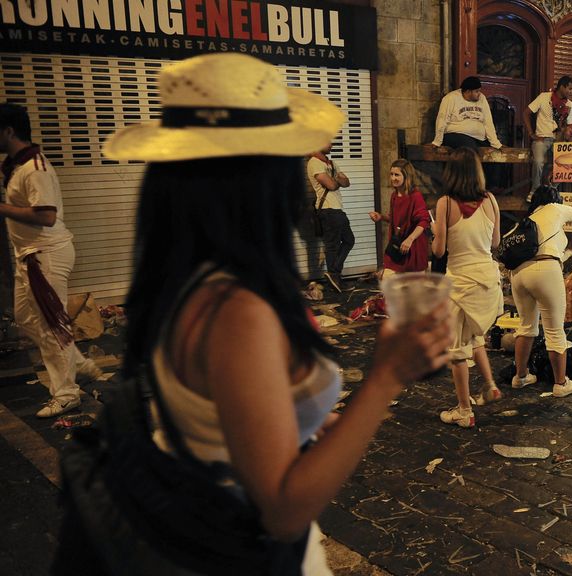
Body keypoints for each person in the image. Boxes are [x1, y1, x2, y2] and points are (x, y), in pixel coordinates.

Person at [89, 53, 451, 572]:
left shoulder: (185, 277)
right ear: (263, 179)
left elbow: (225, 416)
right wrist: (385, 377)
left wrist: (303, 420)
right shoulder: (236, 310)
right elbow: (282, 509)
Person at [0, 102, 102, 419]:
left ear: (8, 131)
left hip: (45, 256)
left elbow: (46, 216)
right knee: (26, 319)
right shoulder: (17, 165)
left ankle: (66, 394)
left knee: (50, 327)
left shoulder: (35, 168)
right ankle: (78, 364)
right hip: (29, 256)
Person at [431, 148, 503, 428]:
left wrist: (436, 232)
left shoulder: (446, 204)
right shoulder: (491, 200)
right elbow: (495, 243)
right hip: (488, 282)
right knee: (474, 337)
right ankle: (490, 385)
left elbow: (439, 251)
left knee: (456, 350)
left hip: (461, 285)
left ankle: (464, 411)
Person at [510, 186, 572, 398]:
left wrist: (571, 251)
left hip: (518, 274)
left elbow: (549, 255)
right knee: (554, 330)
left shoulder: (527, 221)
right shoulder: (556, 208)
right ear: (555, 199)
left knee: (526, 326)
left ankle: (520, 377)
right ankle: (561, 383)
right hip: (545, 272)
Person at [370, 159, 431, 279]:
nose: (393, 178)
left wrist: (410, 239)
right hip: (397, 244)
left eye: (397, 175)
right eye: (391, 174)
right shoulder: (394, 195)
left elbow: (424, 221)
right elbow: (395, 219)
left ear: (406, 176)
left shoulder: (415, 196)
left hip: (413, 245)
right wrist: (381, 217)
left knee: (414, 284)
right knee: (389, 279)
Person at [306, 143, 353, 292]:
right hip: (327, 209)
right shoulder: (314, 162)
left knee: (349, 240)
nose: (331, 144)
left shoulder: (331, 163)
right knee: (332, 246)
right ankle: (335, 277)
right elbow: (331, 185)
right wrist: (336, 179)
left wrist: (336, 180)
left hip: (337, 209)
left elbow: (347, 182)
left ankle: (334, 274)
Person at [526, 76, 572, 192]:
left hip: (558, 141)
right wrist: (531, 133)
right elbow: (526, 113)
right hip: (542, 139)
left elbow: (569, 125)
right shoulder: (544, 97)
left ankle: (552, 191)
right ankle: (535, 192)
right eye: (570, 89)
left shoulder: (570, 105)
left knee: (564, 164)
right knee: (538, 162)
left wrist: (568, 132)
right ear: (562, 87)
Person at [431, 76, 503, 150]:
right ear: (468, 91)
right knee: (470, 148)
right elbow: (442, 119)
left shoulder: (482, 98)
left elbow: (488, 121)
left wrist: (496, 143)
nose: (479, 94)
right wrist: (437, 141)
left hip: (478, 138)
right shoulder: (450, 98)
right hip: (456, 135)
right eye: (476, 91)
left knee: (491, 151)